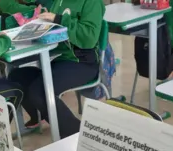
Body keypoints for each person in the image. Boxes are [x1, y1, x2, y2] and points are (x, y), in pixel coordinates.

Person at [8, 0, 104, 137]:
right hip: (57, 60)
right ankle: (40, 114)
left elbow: (89, 37)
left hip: (82, 63)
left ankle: (78, 134)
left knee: (40, 91)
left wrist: (59, 19)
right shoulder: (58, 1)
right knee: (17, 77)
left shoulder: (91, 3)